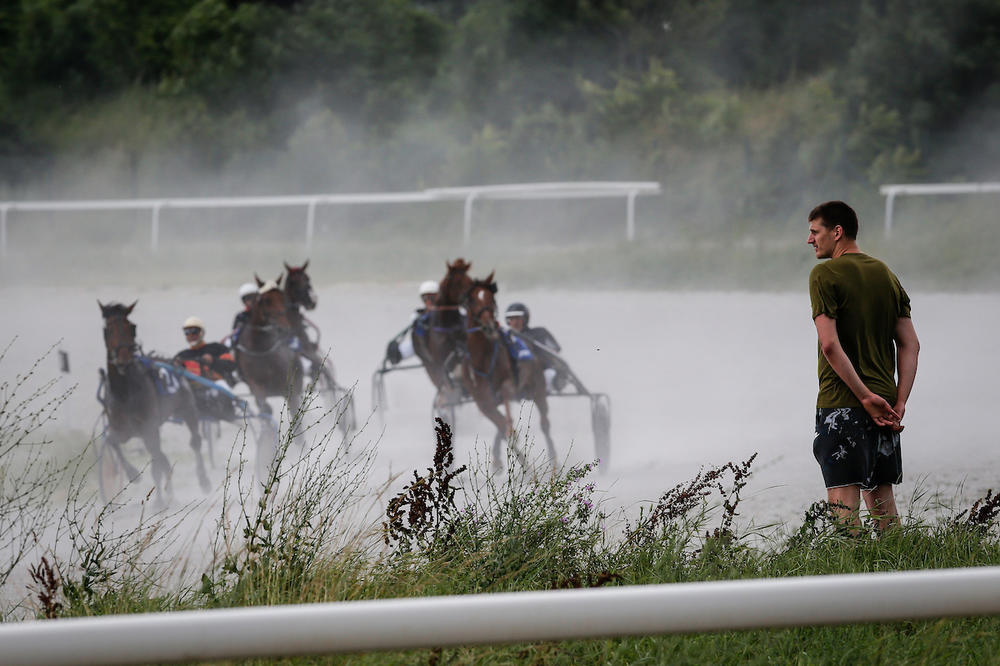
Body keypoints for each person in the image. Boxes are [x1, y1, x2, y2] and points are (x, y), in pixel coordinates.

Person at [807, 201, 920, 532]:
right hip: (885, 407)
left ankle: (851, 580)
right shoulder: (885, 273)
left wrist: (864, 397)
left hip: (844, 403)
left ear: (837, 232)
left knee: (845, 514)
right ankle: (900, 577)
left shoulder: (824, 274)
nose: (810, 239)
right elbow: (911, 344)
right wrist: (898, 402)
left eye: (815, 231)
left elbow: (829, 344)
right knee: (884, 510)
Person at [175, 316, 239, 420]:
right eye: (187, 332)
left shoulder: (217, 348)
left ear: (201, 333)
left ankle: (230, 416)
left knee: (222, 387)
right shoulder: (182, 355)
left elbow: (231, 365)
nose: (190, 335)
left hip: (215, 384)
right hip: (193, 389)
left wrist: (213, 360)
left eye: (194, 331)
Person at [504, 302, 566, 392]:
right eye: (511, 319)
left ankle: (556, 383)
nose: (514, 322)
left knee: (549, 376)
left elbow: (555, 350)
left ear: (525, 319)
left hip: (542, 371)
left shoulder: (539, 332)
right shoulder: (506, 337)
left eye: (518, 318)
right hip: (515, 374)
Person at [386, 280, 439, 365]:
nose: (428, 301)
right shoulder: (417, 314)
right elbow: (418, 331)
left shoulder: (446, 311)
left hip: (444, 342)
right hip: (423, 343)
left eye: (432, 297)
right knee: (394, 351)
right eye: (425, 298)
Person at [230, 282, 257, 347]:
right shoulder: (240, 316)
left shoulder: (266, 314)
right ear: (244, 301)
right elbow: (235, 332)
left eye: (253, 297)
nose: (251, 301)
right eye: (248, 298)